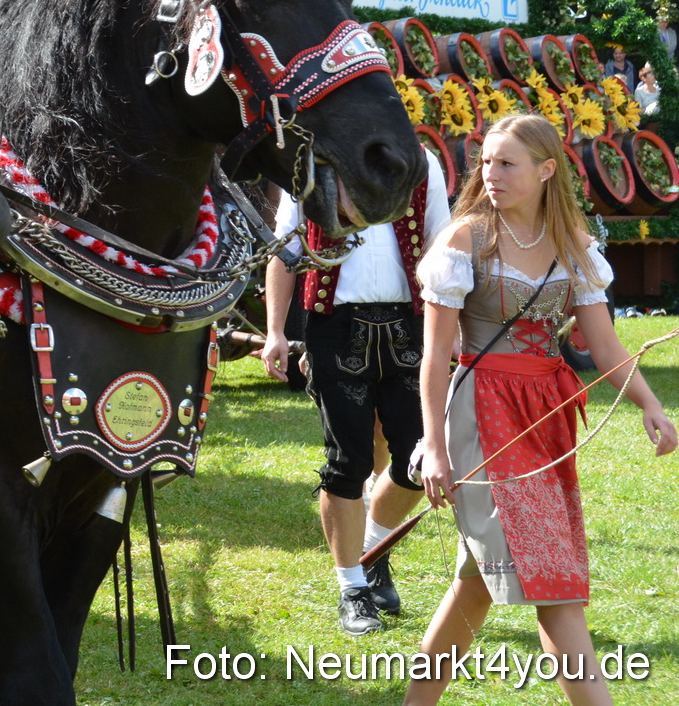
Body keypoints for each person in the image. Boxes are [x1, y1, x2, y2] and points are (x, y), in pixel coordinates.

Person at [405, 114, 676, 705]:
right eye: (486, 162)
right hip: (480, 415)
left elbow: (604, 348)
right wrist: (433, 445)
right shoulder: (464, 240)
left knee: (478, 584)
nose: (490, 173)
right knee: (553, 582)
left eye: (507, 163)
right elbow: (433, 362)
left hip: (543, 417)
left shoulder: (574, 245)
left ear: (547, 170)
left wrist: (650, 404)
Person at [263, 149, 451, 634]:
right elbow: (287, 250)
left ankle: (371, 551)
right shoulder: (307, 162)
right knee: (347, 463)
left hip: (410, 324)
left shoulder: (420, 160)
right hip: (335, 326)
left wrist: (454, 332)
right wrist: (275, 332)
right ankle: (352, 589)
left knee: (417, 462)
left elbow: (441, 246)